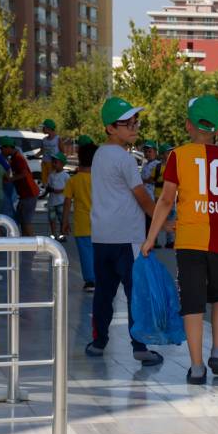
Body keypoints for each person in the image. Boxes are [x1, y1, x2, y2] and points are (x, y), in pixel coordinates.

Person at [143, 95, 218, 385]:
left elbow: (167, 199)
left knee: (192, 302)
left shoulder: (177, 157)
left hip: (190, 240)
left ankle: (196, 368)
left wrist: (150, 238)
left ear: (188, 125)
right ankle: (217, 351)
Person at [86, 97, 163, 367]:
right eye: (127, 123)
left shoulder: (99, 155)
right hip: (127, 238)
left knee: (103, 293)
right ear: (110, 128)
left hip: (101, 237)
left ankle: (98, 342)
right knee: (135, 293)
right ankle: (140, 347)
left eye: (135, 122)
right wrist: (163, 222)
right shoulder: (126, 160)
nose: (134, 127)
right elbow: (142, 198)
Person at [63, 142, 97, 292]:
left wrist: (64, 222)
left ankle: (90, 281)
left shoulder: (73, 181)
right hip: (101, 224)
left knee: (86, 254)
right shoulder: (100, 180)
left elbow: (67, 202)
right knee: (99, 253)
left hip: (82, 224)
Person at [0, 136, 39, 236]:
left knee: (26, 221)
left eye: (2, 148)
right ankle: (26, 242)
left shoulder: (18, 158)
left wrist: (10, 179)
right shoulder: (14, 157)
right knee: (22, 219)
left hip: (29, 193)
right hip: (25, 194)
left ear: (8, 147)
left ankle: (31, 245)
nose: (1, 151)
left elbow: (24, 173)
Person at [46, 152, 70, 241]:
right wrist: (49, 189)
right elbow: (48, 186)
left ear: (62, 164)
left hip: (61, 201)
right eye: (53, 162)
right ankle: (53, 234)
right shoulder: (51, 175)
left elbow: (68, 188)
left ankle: (62, 235)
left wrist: (59, 191)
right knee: (52, 219)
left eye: (56, 162)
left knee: (61, 219)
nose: (53, 164)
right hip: (52, 201)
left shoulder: (66, 176)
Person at [39, 119, 60, 197]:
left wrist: (59, 163)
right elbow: (42, 151)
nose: (42, 129)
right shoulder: (44, 140)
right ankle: (50, 198)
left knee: (54, 181)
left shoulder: (57, 139)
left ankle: (54, 198)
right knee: (45, 182)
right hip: (45, 163)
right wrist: (34, 156)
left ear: (49, 128)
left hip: (53, 164)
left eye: (43, 127)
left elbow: (62, 151)